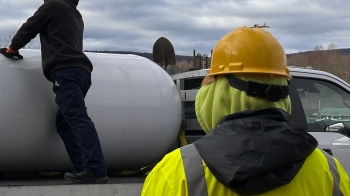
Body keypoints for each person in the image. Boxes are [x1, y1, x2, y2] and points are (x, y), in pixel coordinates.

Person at [141, 27, 350, 196]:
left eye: (211, 81)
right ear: (283, 93)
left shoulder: (176, 173)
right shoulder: (328, 170)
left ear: (221, 93)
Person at [0, 0, 108, 184]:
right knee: (65, 123)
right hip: (81, 72)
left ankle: (94, 169)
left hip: (65, 71)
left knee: (76, 117)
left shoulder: (54, 7)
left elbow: (30, 27)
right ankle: (82, 168)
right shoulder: (75, 15)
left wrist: (12, 49)